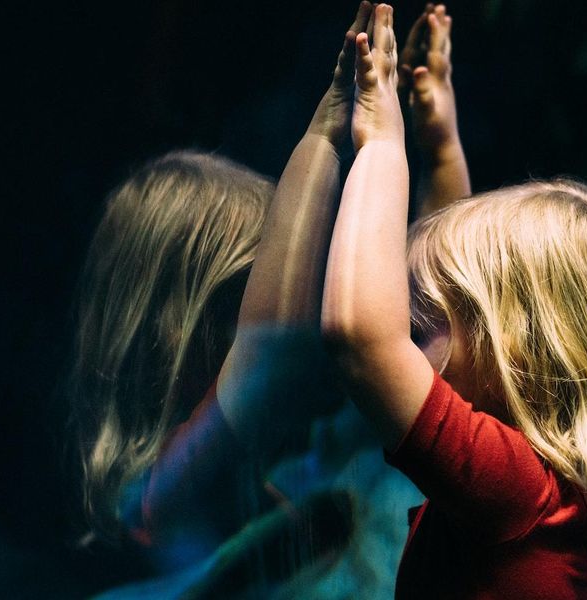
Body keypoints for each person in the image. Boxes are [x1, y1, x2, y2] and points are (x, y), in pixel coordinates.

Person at [321, 4, 587, 598]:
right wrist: (437, 146)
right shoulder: (534, 495)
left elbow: (362, 339)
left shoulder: (517, 490)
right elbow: (438, 301)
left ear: (512, 341)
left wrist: (382, 144)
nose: (405, 330)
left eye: (419, 322)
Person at [70, 3, 381, 592]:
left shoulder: (261, 484)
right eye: (251, 296)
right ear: (172, 326)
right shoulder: (162, 496)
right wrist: (322, 139)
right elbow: (273, 357)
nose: (293, 305)